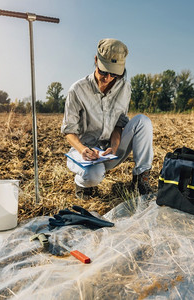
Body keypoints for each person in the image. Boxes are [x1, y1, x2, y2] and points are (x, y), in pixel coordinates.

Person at [61, 38, 154, 199]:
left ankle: (141, 179)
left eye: (114, 74)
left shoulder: (124, 88)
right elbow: (69, 131)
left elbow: (119, 124)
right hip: (85, 153)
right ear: (96, 60)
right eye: (103, 71)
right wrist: (83, 150)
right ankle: (83, 184)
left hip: (109, 151)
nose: (107, 78)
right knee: (93, 176)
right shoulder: (77, 90)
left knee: (142, 122)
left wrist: (114, 146)